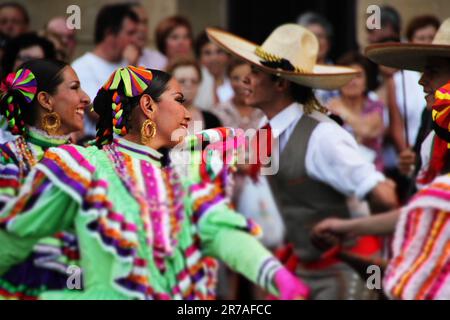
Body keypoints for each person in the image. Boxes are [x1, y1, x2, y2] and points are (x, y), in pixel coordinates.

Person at [0, 66, 310, 300]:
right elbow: (16, 237)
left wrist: (274, 275)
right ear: (148, 107)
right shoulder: (83, 166)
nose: (187, 114)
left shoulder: (186, 169)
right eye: (178, 100)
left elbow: (218, 229)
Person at [207, 24, 398, 300]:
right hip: (302, 269)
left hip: (343, 276)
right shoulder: (266, 127)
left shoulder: (324, 137)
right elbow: (258, 175)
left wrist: (353, 233)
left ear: (281, 83)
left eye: (256, 72)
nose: (245, 79)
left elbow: (386, 197)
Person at [314, 17, 450, 299]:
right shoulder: (433, 138)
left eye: (432, 71)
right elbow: (420, 210)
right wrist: (348, 228)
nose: (422, 80)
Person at [0, 59, 90, 299]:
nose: (86, 98)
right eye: (74, 88)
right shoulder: (8, 158)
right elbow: (8, 234)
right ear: (46, 100)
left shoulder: (93, 159)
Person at [71, 3, 139, 140]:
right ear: (110, 33)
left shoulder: (133, 64)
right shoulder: (82, 67)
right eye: (130, 33)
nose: (134, 40)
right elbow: (99, 112)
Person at [327, 51, 385, 171]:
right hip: (339, 173)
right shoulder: (328, 109)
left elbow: (367, 131)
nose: (352, 81)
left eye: (358, 76)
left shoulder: (375, 106)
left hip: (373, 173)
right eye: (347, 76)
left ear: (366, 81)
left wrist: (342, 111)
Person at [166, 58, 221, 134]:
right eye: (182, 81)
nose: (189, 85)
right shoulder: (160, 119)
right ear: (169, 85)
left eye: (194, 81)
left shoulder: (212, 120)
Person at [214, 59, 264, 131]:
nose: (241, 84)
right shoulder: (219, 112)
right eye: (236, 78)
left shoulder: (265, 111)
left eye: (247, 78)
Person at [194, 30, 233, 111]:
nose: (214, 58)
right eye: (207, 53)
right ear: (199, 58)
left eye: (219, 52)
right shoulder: (193, 83)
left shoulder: (237, 80)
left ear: (228, 56)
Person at [128, 3, 167, 70]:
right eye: (136, 22)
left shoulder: (159, 59)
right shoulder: (111, 60)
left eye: (144, 22)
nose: (142, 28)